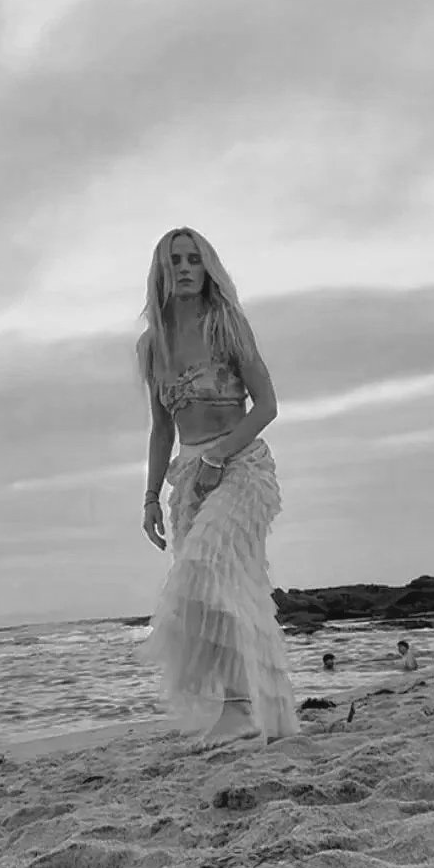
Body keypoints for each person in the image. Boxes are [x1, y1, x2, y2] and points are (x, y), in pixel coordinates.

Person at [138, 226, 299, 748]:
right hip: (186, 478)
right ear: (161, 272)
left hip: (242, 465)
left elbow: (268, 405)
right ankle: (246, 707)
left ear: (207, 268)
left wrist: (217, 455)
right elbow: (161, 428)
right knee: (223, 592)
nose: (184, 268)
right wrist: (148, 498)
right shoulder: (152, 344)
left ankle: (238, 709)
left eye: (193, 259)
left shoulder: (228, 324)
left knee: (208, 569)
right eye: (174, 261)